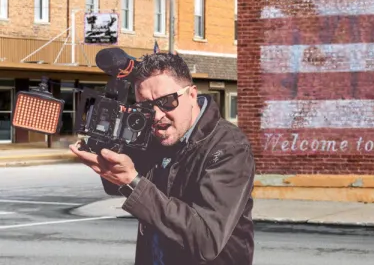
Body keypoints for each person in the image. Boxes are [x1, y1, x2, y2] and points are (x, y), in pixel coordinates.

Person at [70, 52, 254, 265]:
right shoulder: (152, 136)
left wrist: (132, 181)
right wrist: (107, 157)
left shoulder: (229, 147)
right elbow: (117, 187)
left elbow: (207, 240)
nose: (157, 116)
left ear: (192, 95)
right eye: (146, 107)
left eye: (167, 102)